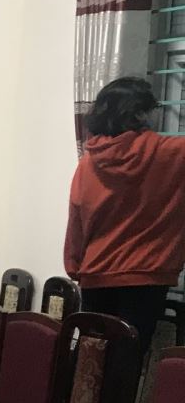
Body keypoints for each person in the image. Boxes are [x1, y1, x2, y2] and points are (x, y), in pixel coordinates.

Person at [65, 76, 185, 356]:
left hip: (96, 275)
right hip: (146, 276)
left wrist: (74, 265)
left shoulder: (89, 163)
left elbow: (77, 221)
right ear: (139, 114)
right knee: (127, 364)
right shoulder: (173, 154)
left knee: (91, 363)